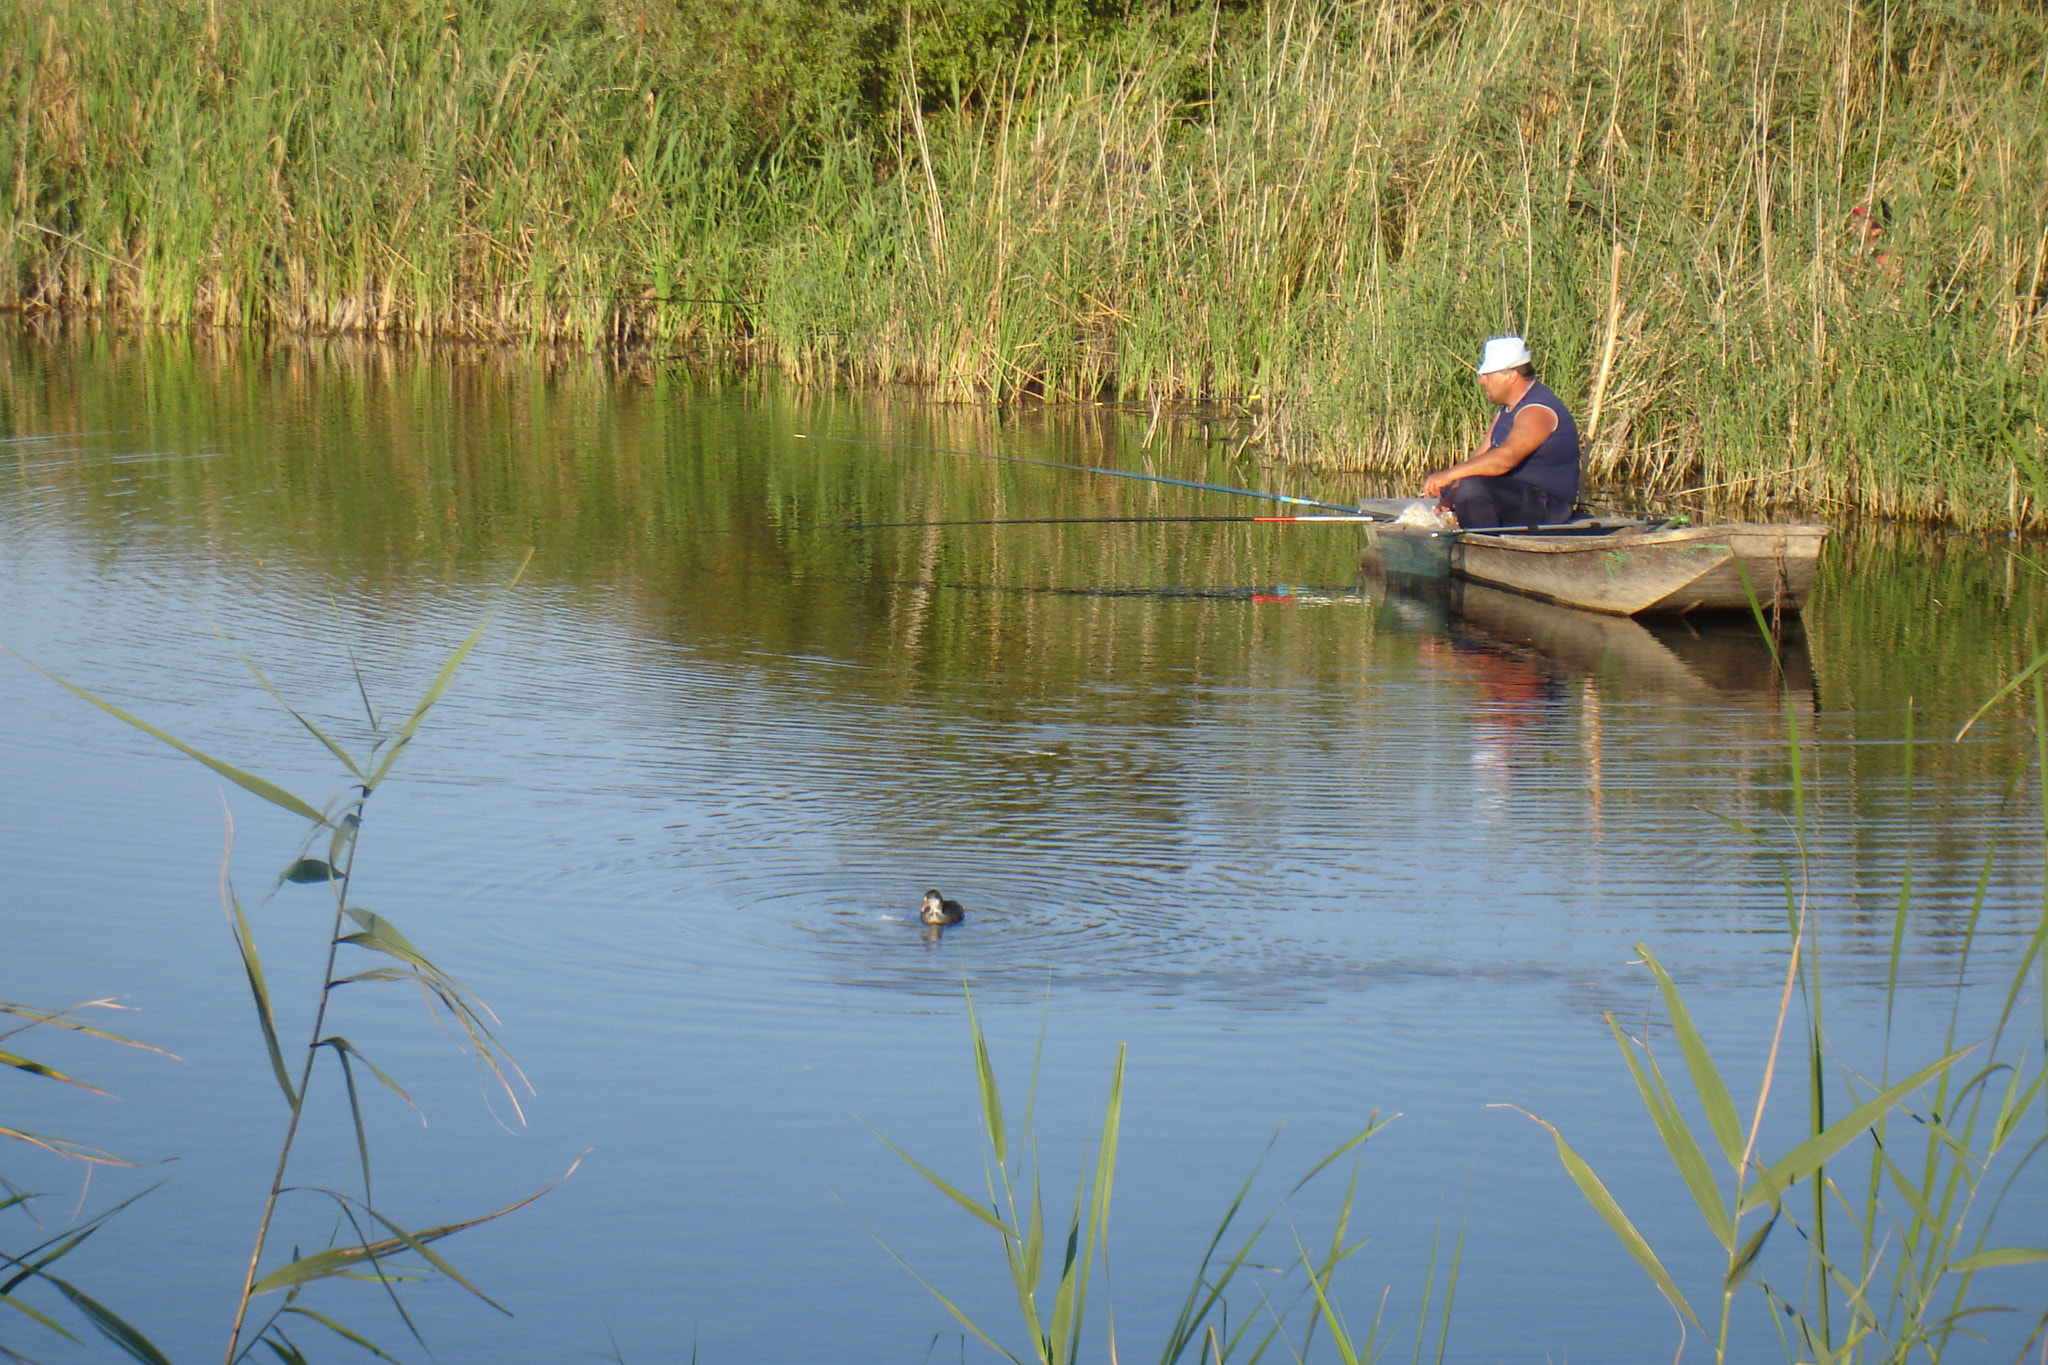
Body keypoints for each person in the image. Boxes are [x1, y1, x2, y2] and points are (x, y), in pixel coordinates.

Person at [1421, 336, 1581, 529]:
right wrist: (1452, 492)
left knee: (1472, 488)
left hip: (1548, 506)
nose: (1482, 381)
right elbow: (1481, 454)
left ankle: (1482, 548)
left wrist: (1449, 474)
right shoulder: (1506, 409)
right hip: (1513, 496)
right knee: (1459, 485)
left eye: (1487, 374)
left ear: (1511, 375)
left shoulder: (1536, 411)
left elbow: (1505, 459)